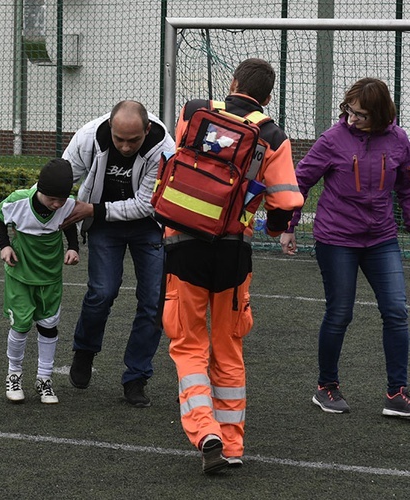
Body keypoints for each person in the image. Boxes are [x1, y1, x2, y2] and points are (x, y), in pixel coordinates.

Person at [163, 58, 303, 473]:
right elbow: (287, 200)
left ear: (234, 83)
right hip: (232, 251)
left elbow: (179, 163)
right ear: (268, 95)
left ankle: (204, 430)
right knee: (228, 347)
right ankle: (233, 444)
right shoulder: (273, 136)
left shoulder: (192, 111)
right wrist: (277, 230)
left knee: (188, 345)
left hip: (183, 243)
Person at [280, 78, 410, 419]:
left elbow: (407, 189)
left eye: (361, 115)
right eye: (349, 112)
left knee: (396, 311)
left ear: (381, 114)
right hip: (337, 239)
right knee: (340, 313)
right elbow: (300, 180)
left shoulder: (399, 140)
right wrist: (288, 227)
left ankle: (397, 393)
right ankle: (326, 387)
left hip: (381, 238)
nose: (351, 120)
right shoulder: (332, 140)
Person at [60, 100, 175, 407]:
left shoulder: (164, 148)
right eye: (119, 139)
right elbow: (60, 179)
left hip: (147, 225)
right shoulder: (88, 137)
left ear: (147, 130)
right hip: (103, 224)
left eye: (134, 141)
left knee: (153, 302)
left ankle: (136, 377)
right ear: (110, 127)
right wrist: (31, 210)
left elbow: (146, 204)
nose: (125, 147)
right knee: (102, 292)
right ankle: (84, 349)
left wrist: (93, 209)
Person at [0, 159, 80, 404]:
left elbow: (69, 224)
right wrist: (5, 245)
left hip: (50, 278)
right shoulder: (18, 200)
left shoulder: (66, 205)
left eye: (61, 201)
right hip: (20, 275)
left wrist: (73, 248)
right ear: (39, 190)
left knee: (48, 326)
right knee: (20, 326)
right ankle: (14, 375)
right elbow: (0, 216)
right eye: (51, 199)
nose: (56, 205)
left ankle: (44, 379)